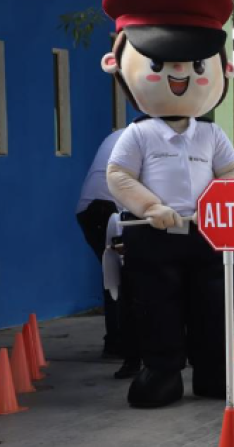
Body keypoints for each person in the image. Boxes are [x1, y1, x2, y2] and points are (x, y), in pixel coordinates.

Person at [102, 0, 234, 407]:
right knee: (157, 304)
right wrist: (150, 207)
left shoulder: (211, 135)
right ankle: (163, 369)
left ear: (224, 71)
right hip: (153, 237)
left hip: (208, 236)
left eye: (196, 64)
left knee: (213, 302)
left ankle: (213, 368)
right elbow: (118, 176)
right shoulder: (138, 135)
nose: (180, 72)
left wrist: (217, 202)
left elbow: (232, 172)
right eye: (159, 62)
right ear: (114, 64)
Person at [76, 129, 142, 379]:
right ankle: (122, 343)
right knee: (122, 279)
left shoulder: (122, 134)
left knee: (114, 277)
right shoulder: (148, 137)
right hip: (107, 210)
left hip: (92, 209)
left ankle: (117, 341)